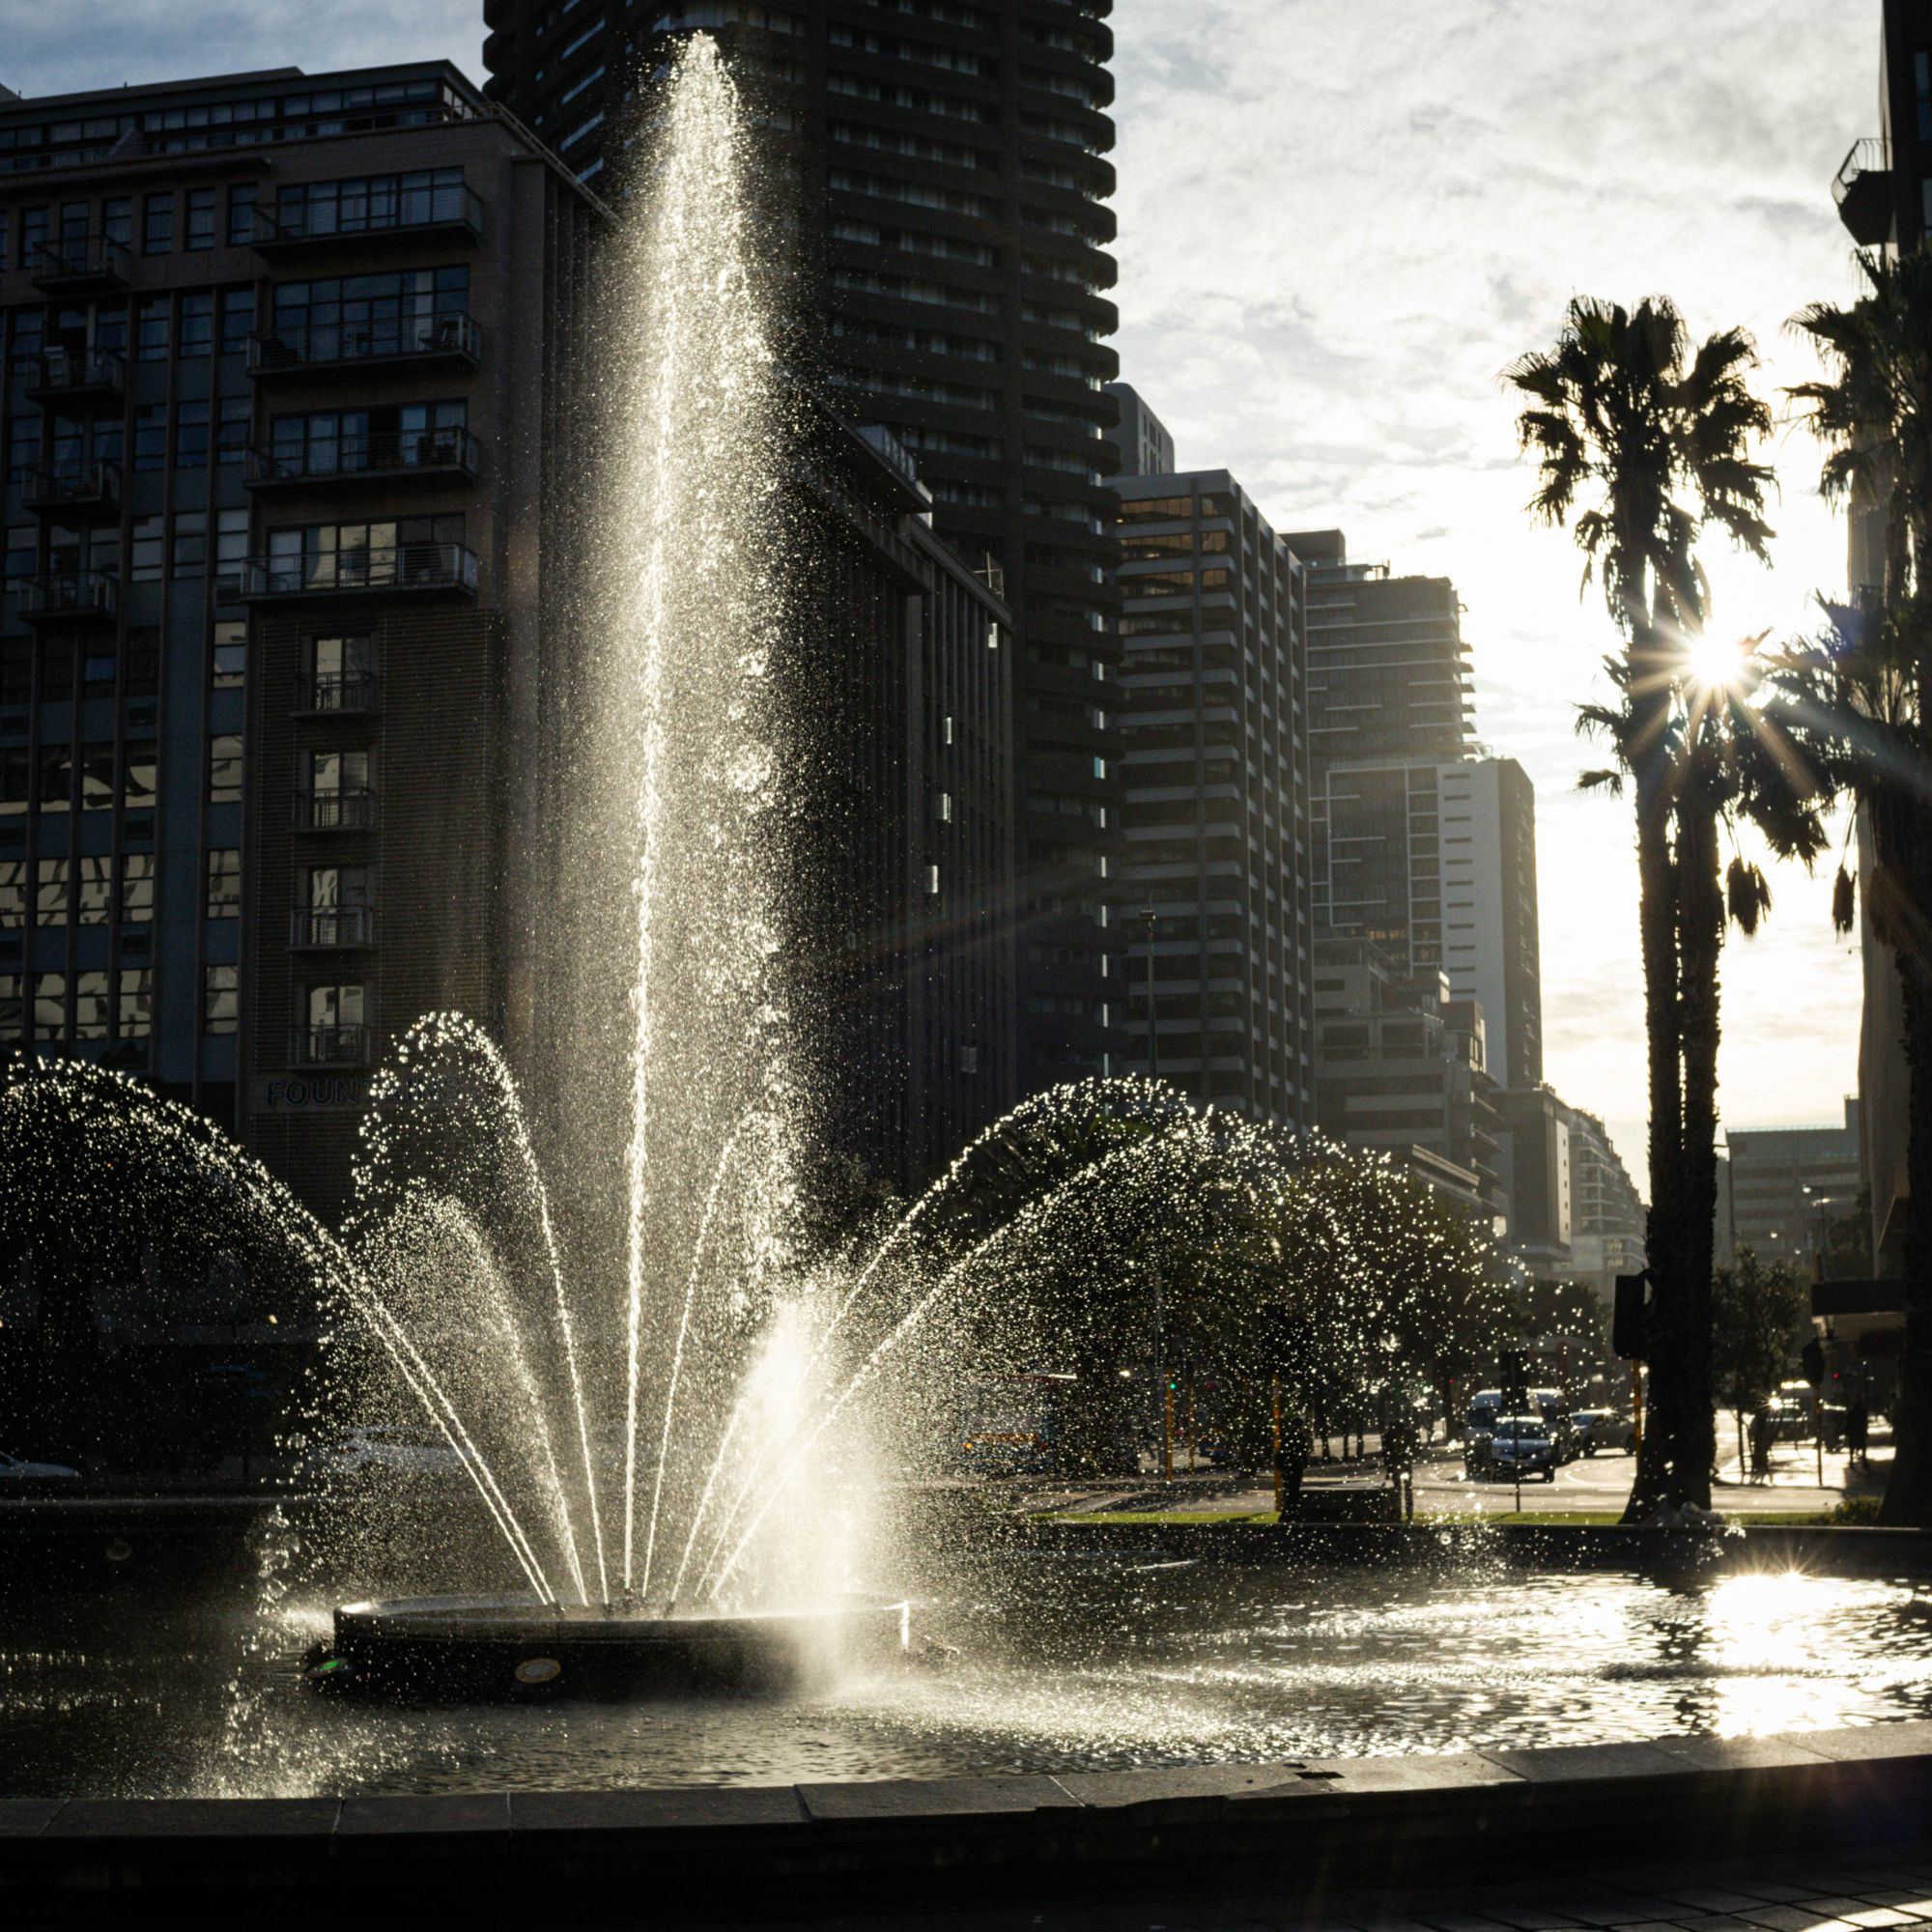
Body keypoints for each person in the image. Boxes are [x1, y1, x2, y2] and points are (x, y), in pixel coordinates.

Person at [1847, 1397, 1870, 1469]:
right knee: (1863, 1447)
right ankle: (1864, 1462)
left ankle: (1851, 1462)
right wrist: (1865, 1431)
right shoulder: (1863, 1412)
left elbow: (1847, 1421)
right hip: (1860, 1431)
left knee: (1852, 1447)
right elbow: (1865, 1422)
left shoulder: (1851, 1412)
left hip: (1853, 1432)